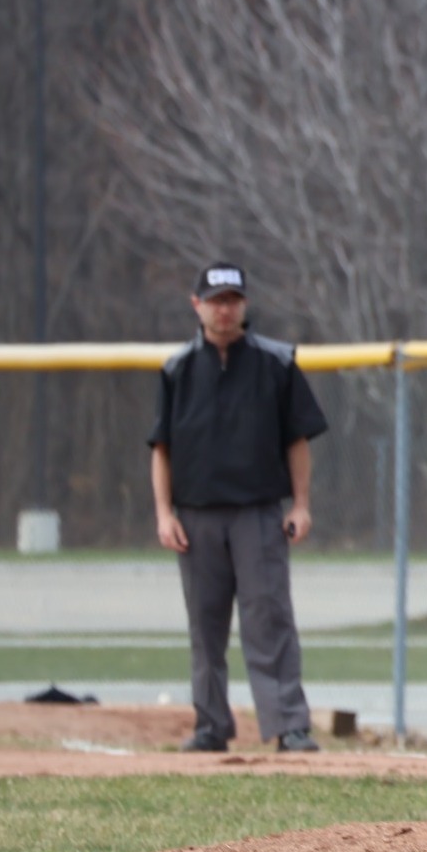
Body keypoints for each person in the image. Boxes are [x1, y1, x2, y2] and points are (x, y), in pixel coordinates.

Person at [148, 261, 329, 754]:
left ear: (244, 304)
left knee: (269, 620)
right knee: (205, 626)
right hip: (197, 516)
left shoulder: (275, 363)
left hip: (258, 512)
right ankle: (210, 725)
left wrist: (302, 504)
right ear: (197, 305)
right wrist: (165, 514)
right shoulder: (178, 369)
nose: (224, 309)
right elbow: (160, 448)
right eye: (215, 300)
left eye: (232, 300)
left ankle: (289, 724)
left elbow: (297, 440)